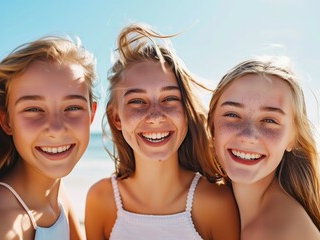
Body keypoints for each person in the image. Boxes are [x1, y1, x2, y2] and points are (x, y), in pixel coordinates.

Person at [84, 23, 240, 240]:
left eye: (169, 99)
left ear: (186, 112)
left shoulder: (216, 202)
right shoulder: (100, 199)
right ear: (116, 118)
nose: (156, 116)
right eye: (137, 101)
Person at [0, 36, 97, 240]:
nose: (56, 129)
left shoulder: (58, 197)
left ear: (92, 114)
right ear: (6, 121)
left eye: (72, 107)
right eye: (33, 109)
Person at [208, 56, 320, 240]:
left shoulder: (272, 232)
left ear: (292, 138)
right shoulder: (225, 209)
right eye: (233, 114)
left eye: (269, 120)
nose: (248, 136)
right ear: (212, 125)